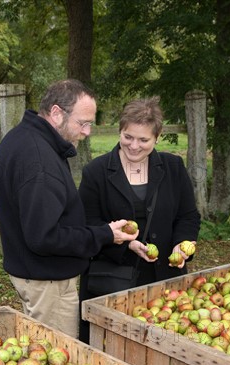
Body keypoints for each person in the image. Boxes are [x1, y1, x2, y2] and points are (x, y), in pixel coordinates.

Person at [0, 79, 138, 338]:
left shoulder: (25, 138)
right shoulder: (39, 160)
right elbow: (44, 237)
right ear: (57, 113)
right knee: (56, 358)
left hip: (36, 276)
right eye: (83, 123)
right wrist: (105, 235)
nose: (87, 131)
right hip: (48, 285)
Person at [78, 96, 201, 342]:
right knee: (113, 345)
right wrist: (125, 243)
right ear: (120, 132)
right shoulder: (97, 172)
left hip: (165, 278)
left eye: (143, 140)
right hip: (114, 282)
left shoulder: (173, 167)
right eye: (128, 137)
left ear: (157, 137)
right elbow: (87, 224)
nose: (134, 146)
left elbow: (188, 215)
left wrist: (182, 243)